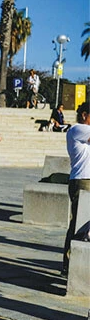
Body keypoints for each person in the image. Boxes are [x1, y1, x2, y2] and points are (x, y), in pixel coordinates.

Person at [62, 101, 90, 275]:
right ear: (85, 115)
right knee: (79, 224)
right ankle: (69, 263)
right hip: (82, 180)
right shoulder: (77, 129)